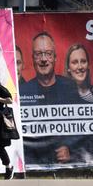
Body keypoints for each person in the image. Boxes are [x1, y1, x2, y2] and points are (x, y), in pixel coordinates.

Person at [20, 32, 78, 164]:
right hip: (33, 161)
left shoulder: (70, 87)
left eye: (48, 53)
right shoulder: (23, 91)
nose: (43, 59)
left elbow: (81, 125)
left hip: (64, 164)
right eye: (38, 54)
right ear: (32, 59)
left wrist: (70, 148)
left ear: (55, 57)